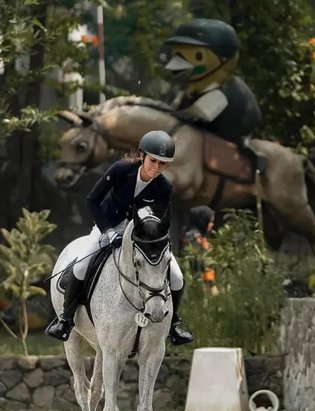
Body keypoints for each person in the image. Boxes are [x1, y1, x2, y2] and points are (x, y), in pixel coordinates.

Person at [46, 130, 194, 346]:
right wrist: (108, 231)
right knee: (80, 266)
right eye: (153, 161)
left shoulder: (164, 187)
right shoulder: (121, 170)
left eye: (162, 164)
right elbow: (92, 200)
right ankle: (65, 319)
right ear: (142, 156)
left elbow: (158, 221)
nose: (156, 168)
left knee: (178, 277)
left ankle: (174, 324)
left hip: (142, 236)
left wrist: (145, 238)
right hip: (108, 226)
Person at [163, 18, 264, 169]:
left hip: (226, 139)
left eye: (198, 56)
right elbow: (172, 112)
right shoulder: (189, 89)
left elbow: (194, 115)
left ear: (224, 60)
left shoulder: (224, 92)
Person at [181, 205, 218, 295]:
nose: (212, 224)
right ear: (203, 221)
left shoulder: (193, 235)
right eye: (210, 222)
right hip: (197, 283)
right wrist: (211, 284)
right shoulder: (194, 237)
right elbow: (202, 261)